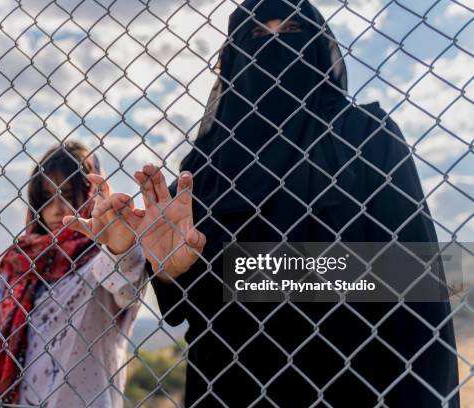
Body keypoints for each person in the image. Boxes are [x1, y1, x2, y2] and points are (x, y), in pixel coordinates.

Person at [97, 0, 459, 406]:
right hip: (226, 387)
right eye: (256, 35)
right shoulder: (202, 166)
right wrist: (169, 273)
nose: (273, 45)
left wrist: (238, 273)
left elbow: (415, 273)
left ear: (320, 52)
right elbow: (188, 307)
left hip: (349, 383)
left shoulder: (365, 137)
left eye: (290, 33)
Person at [0, 141, 148, 407]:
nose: (57, 209)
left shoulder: (104, 257)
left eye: (68, 194)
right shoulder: (19, 264)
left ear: (91, 194)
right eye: (47, 198)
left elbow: (127, 289)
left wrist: (119, 245)